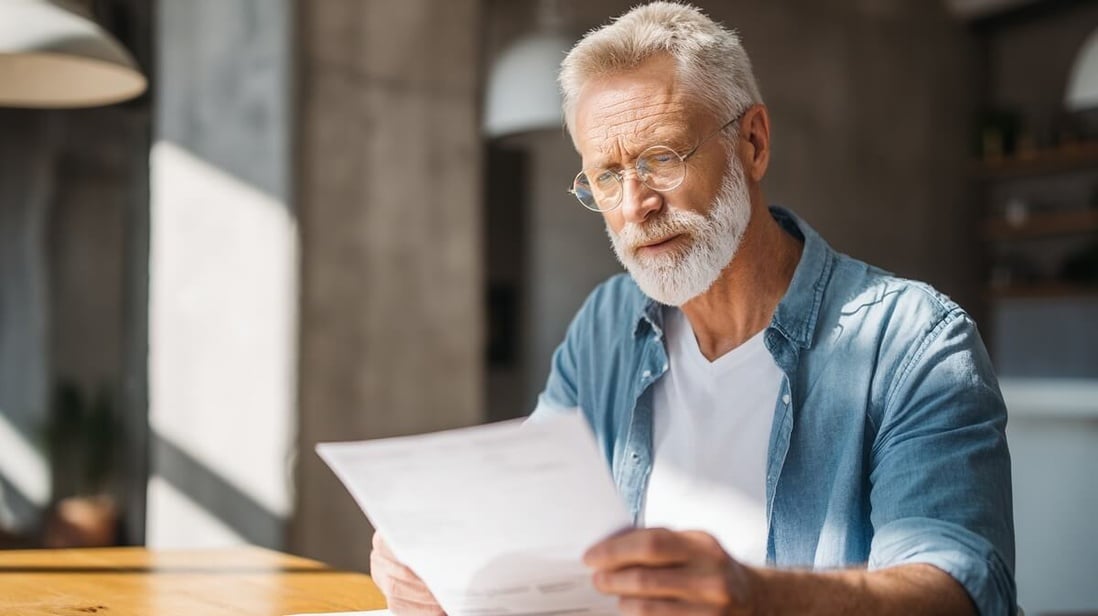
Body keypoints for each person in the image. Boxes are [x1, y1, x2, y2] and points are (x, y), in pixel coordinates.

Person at [371, 3, 1015, 615]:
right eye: (606, 175)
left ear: (753, 144)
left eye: (662, 158)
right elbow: (525, 510)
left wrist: (760, 602)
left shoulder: (914, 344)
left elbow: (958, 590)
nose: (634, 205)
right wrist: (439, 557)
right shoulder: (605, 325)